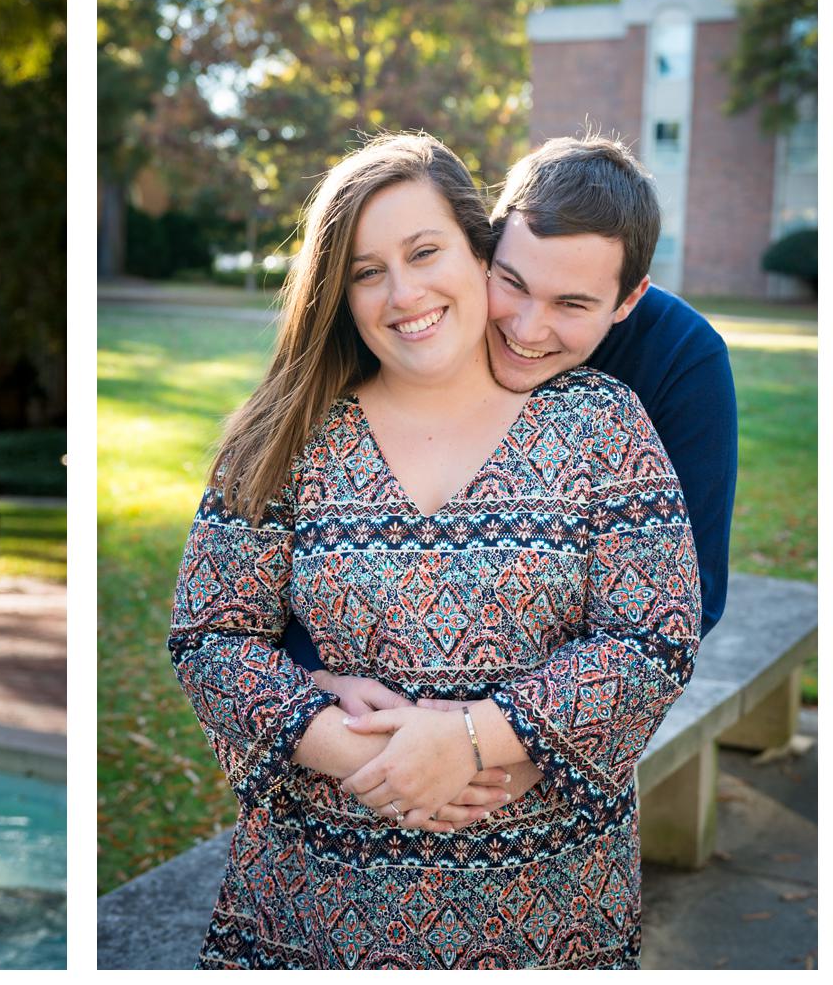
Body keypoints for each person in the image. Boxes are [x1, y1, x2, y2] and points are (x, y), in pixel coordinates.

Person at [170, 132, 699, 968]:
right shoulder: (286, 437)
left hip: (547, 902)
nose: (403, 291)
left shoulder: (604, 424)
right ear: (338, 292)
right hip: (319, 899)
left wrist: (475, 739)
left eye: (424, 251)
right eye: (366, 270)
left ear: (475, 247)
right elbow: (208, 638)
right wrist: (362, 757)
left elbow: (654, 639)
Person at [297, 134, 736, 826]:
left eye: (572, 305)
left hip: (543, 773)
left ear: (628, 300)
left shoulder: (680, 361)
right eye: (513, 283)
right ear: (488, 247)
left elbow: (684, 597)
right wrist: (316, 682)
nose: (527, 329)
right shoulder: (422, 320)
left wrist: (525, 741)